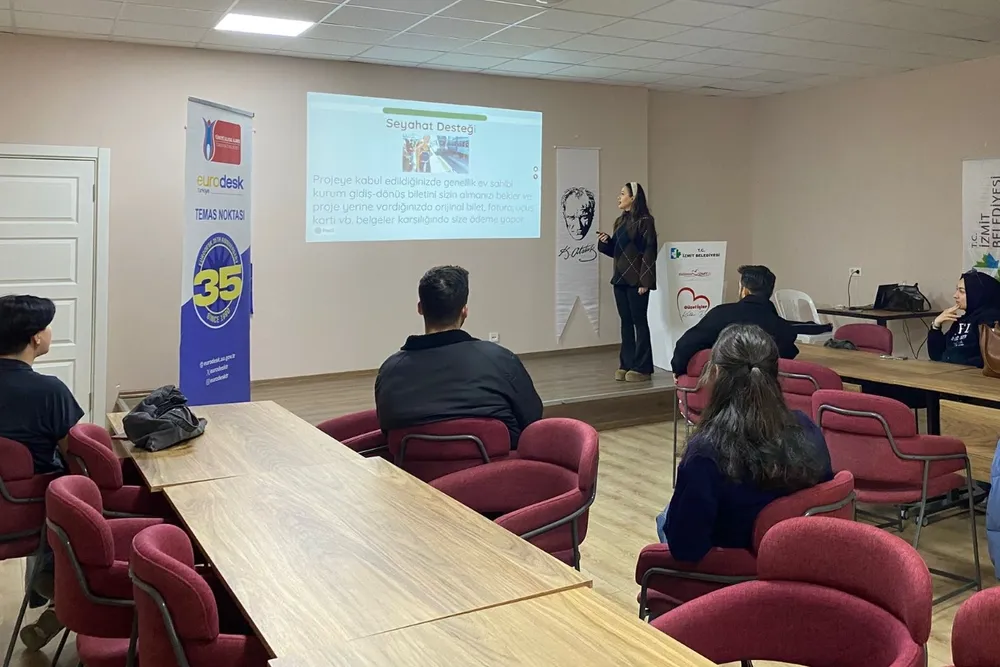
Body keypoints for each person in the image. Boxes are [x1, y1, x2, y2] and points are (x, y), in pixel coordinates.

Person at [655, 323, 833, 561]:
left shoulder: (706, 452)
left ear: (716, 373)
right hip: (798, 561)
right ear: (774, 374)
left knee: (664, 518)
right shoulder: (806, 426)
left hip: (729, 574)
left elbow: (686, 550)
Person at [375, 265, 543, 447]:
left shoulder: (389, 371)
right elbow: (532, 422)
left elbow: (387, 431)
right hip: (499, 464)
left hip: (414, 466)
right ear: (464, 311)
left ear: (420, 308)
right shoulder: (500, 360)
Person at [0, 294, 84, 651]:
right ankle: (69, 597)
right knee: (74, 493)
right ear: (36, 337)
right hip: (30, 514)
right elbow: (78, 457)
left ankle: (55, 594)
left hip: (12, 505)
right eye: (47, 327)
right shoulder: (49, 392)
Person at [670, 265, 798, 376]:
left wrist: (678, 370)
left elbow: (686, 345)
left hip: (721, 388)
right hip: (763, 392)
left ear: (744, 290)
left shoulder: (720, 314)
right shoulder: (784, 329)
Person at [598, 182, 657, 382]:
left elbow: (649, 252)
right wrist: (606, 242)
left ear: (633, 198)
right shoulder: (620, 222)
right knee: (625, 323)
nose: (619, 197)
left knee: (639, 323)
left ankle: (643, 367)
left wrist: (645, 281)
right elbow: (617, 251)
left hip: (637, 281)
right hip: (620, 280)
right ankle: (626, 364)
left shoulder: (645, 222)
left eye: (623, 194)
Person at [928, 269, 1000, 367]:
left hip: (971, 374)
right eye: (957, 290)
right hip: (949, 371)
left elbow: (988, 359)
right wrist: (936, 326)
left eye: (961, 291)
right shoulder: (961, 320)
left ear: (977, 294)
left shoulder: (991, 319)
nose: (955, 295)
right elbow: (936, 355)